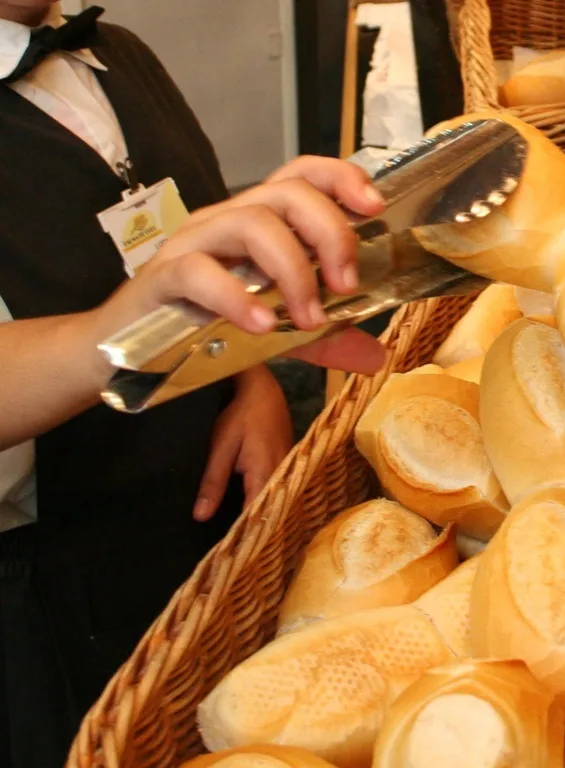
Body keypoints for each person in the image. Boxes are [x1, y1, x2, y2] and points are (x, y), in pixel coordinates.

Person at [0, 3, 386, 765]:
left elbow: (182, 259)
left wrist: (247, 378)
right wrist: (117, 336)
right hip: (62, 611)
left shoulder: (119, 57)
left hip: (209, 543)